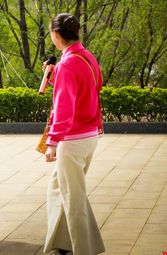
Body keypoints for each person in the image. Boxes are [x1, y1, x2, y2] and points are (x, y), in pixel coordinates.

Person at [43, 13, 105, 255]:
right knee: (60, 190)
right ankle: (63, 244)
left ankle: (83, 249)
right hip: (89, 135)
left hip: (72, 139)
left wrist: (53, 142)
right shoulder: (86, 56)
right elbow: (89, 89)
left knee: (72, 198)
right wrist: (54, 78)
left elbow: (64, 108)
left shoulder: (67, 63)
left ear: (56, 35)